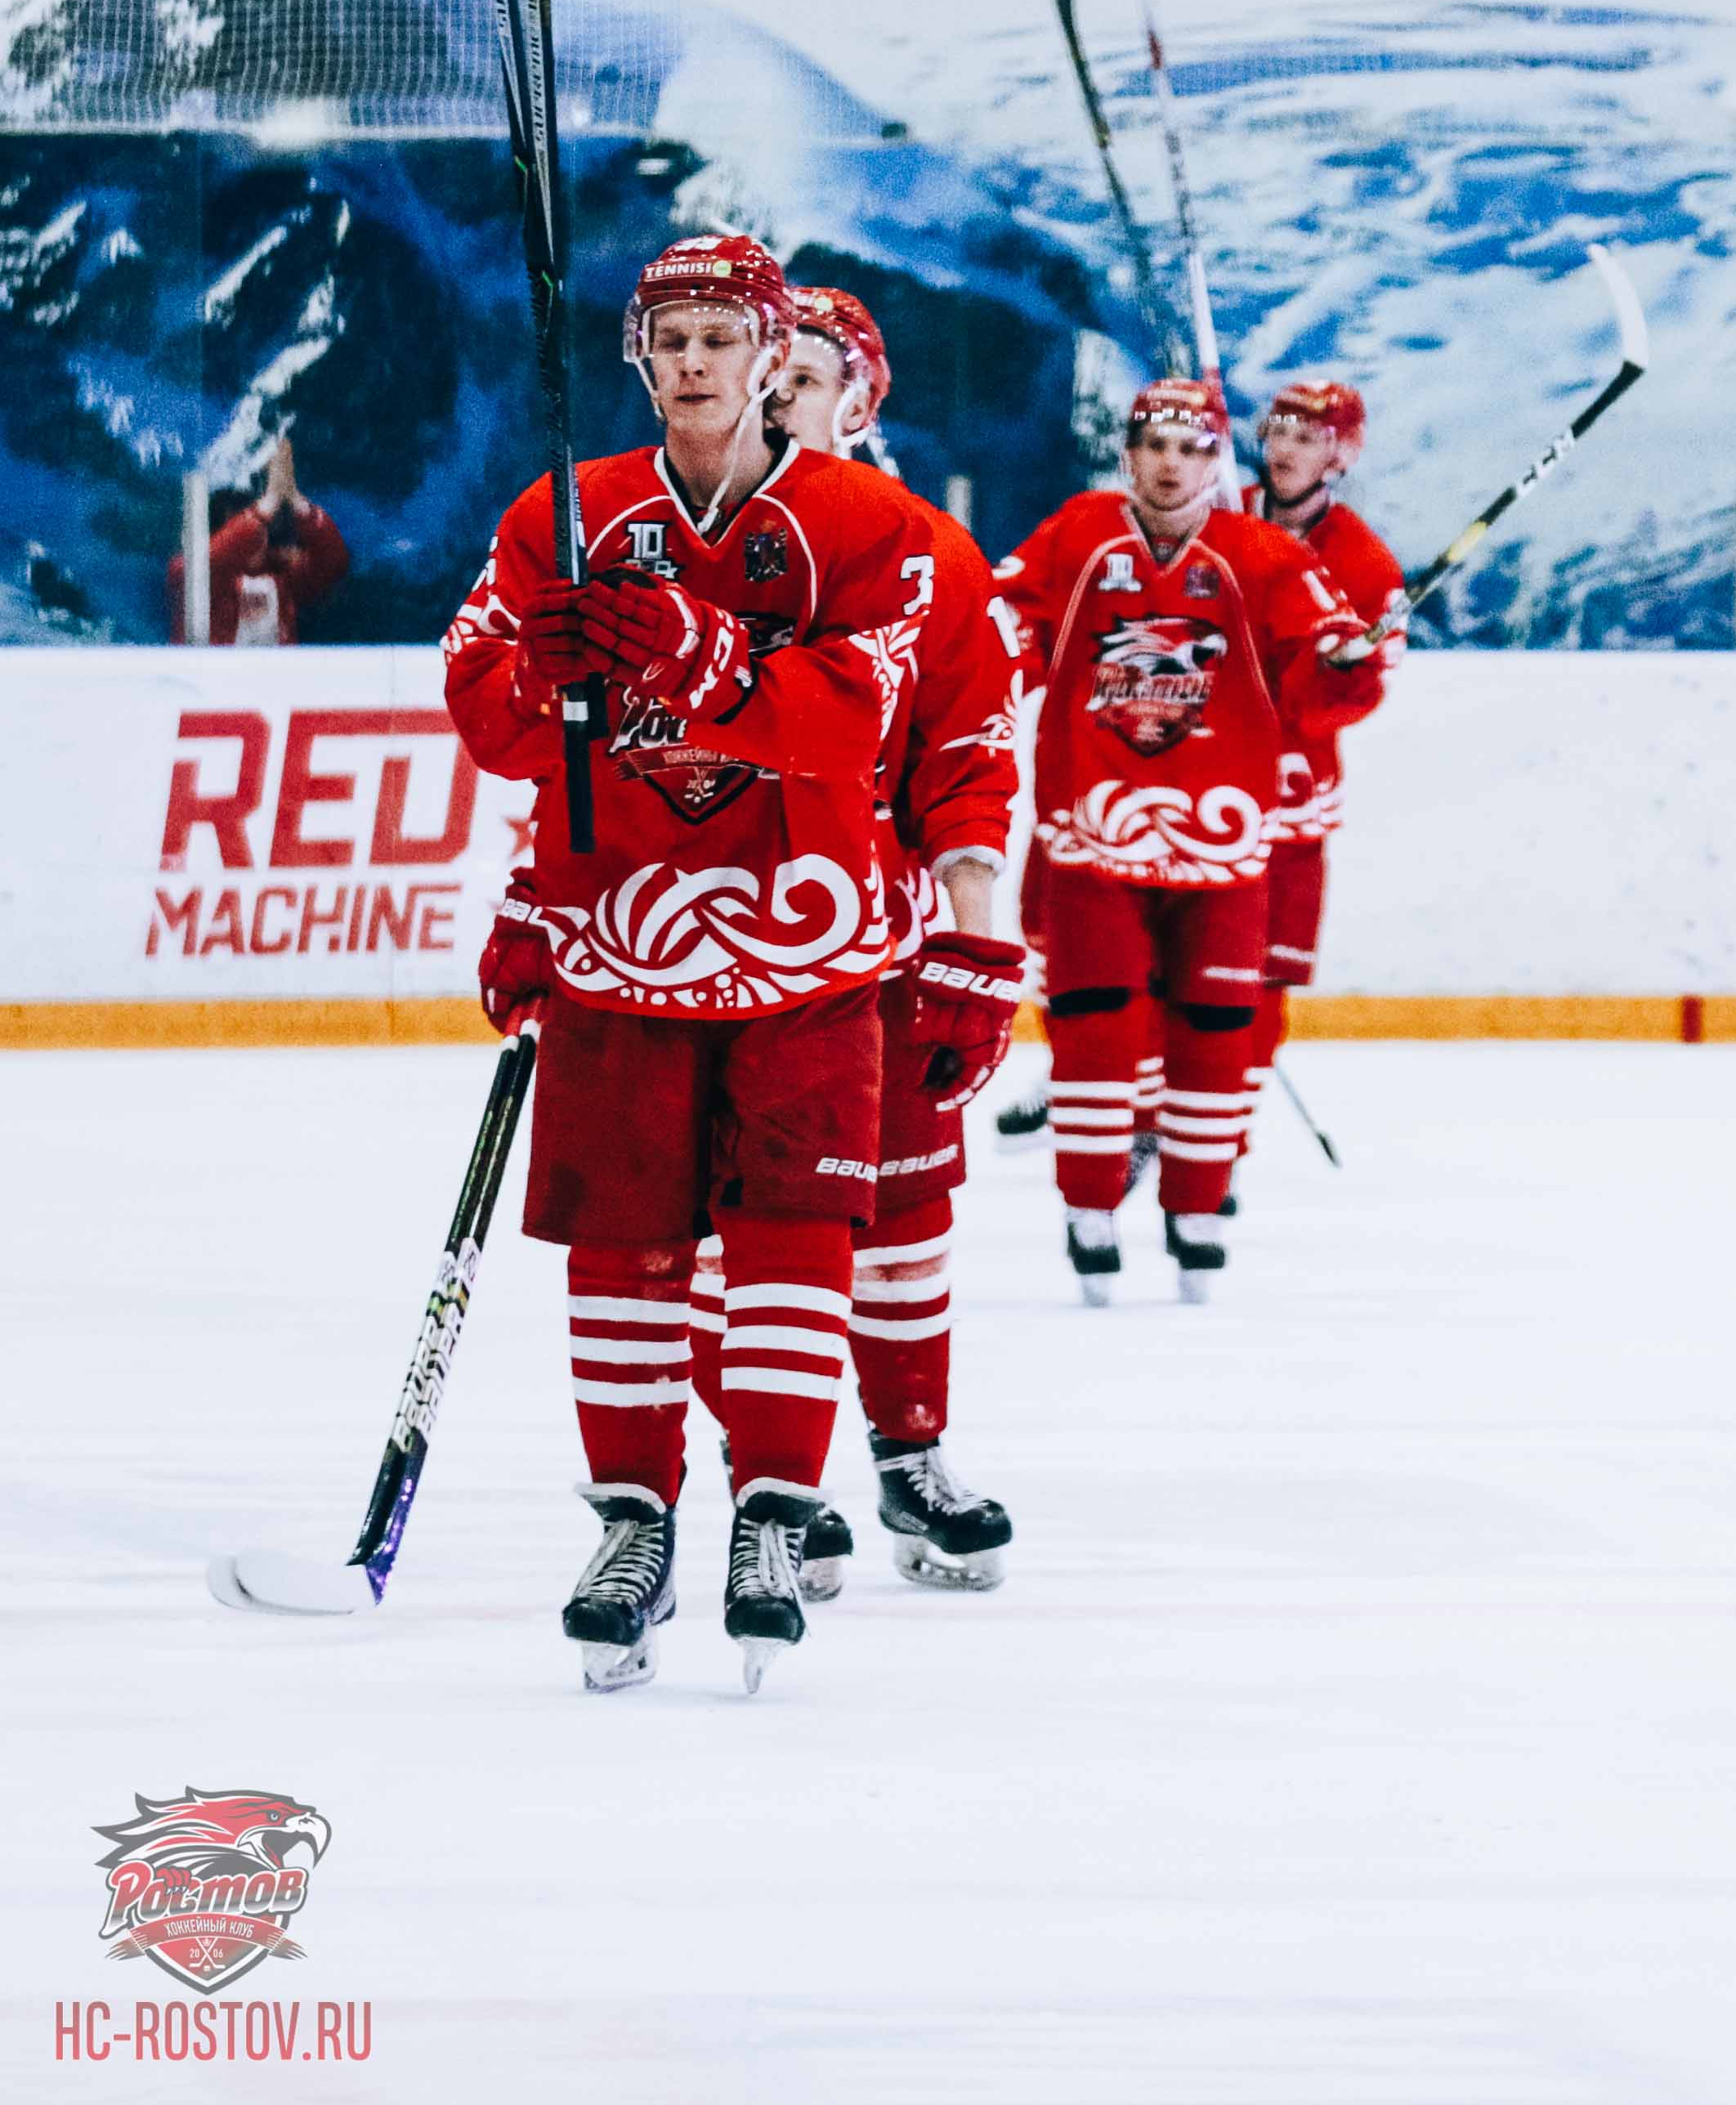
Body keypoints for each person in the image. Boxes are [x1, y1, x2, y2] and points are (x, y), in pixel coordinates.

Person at [443, 233, 946, 1693]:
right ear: (635, 353)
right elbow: (488, 716)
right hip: (624, 931)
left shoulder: (866, 518)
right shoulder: (567, 510)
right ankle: (632, 1520)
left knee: (795, 1223)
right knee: (624, 1238)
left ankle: (773, 1513)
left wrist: (702, 654)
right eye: (667, 336)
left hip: (812, 934)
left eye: (721, 337)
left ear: (771, 349)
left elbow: (860, 717)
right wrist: (542, 672)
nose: (692, 362)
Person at [670, 287, 1029, 1589]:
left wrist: (976, 942)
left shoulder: (919, 546)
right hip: (702, 941)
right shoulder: (668, 535)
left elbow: (970, 759)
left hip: (865, 944)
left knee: (906, 1211)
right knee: (726, 1227)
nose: (775, 388)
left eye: (807, 369)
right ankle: (776, 1481)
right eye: (769, 363)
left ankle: (906, 1457)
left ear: (860, 398)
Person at [996, 383, 1385, 1304]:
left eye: (1191, 445)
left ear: (1218, 462)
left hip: (1225, 846)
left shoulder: (1263, 552)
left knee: (1219, 1029)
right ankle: (1089, 1201)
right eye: (1153, 442)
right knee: (1094, 1028)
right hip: (1097, 834)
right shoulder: (1077, 534)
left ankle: (1199, 1202)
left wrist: (1349, 659)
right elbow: (1004, 631)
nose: (1170, 461)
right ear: (1128, 453)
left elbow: (1325, 676)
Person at [1247, 378, 1407, 1130]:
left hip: (1288, 796)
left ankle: (1218, 1130)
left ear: (1338, 455)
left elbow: (1352, 700)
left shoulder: (1365, 564)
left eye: (1306, 437)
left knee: (1257, 981)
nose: (1285, 448)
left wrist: (1340, 671)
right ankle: (1120, 1091)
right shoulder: (1217, 510)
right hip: (1183, 774)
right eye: (1279, 430)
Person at [168, 438, 350, 645]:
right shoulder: (185, 571)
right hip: (211, 676)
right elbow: (207, 564)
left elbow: (334, 562)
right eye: (239, 517)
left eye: (251, 511)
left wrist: (295, 500)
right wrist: (268, 503)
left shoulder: (286, 576)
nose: (257, 531)